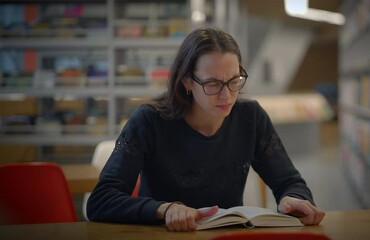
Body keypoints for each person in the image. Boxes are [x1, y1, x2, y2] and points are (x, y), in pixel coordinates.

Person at [87, 26, 325, 231]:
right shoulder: (149, 121)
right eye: (213, 83)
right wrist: (164, 209)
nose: (228, 95)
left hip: (226, 236)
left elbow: (290, 182)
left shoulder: (250, 117)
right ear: (187, 81)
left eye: (234, 80)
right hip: (162, 235)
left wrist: (294, 199)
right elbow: (101, 201)